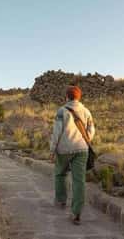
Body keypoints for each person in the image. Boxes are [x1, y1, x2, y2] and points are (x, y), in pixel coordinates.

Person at [49, 85, 95, 225]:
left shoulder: (62, 111)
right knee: (79, 180)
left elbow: (57, 132)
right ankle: (76, 213)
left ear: (67, 97)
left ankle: (61, 201)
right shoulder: (86, 111)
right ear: (79, 97)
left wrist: (52, 149)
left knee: (60, 174)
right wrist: (86, 141)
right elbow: (91, 130)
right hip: (82, 149)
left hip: (64, 149)